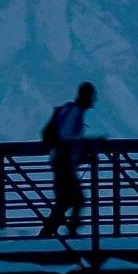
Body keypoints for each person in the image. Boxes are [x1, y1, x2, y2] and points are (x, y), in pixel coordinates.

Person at [39, 82, 103, 237]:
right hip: (64, 164)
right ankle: (64, 233)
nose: (93, 102)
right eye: (91, 98)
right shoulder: (74, 113)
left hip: (61, 163)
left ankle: (48, 234)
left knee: (66, 201)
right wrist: (87, 151)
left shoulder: (69, 111)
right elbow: (68, 139)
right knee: (75, 199)